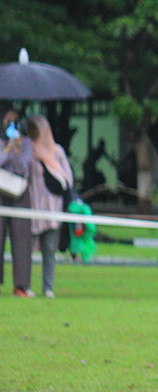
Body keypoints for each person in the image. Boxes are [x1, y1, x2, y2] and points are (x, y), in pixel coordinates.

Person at [25, 115, 72, 299]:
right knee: (26, 250)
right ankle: (25, 285)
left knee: (49, 251)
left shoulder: (57, 151)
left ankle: (48, 288)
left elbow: (68, 179)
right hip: (32, 208)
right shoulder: (27, 150)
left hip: (53, 209)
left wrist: (51, 164)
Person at [0, 109, 34, 297]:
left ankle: (21, 285)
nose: (11, 124)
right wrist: (6, 149)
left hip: (19, 192)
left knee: (21, 239)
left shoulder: (27, 143)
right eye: (8, 120)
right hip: (0, 191)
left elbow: (24, 167)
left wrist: (18, 149)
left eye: (15, 121)